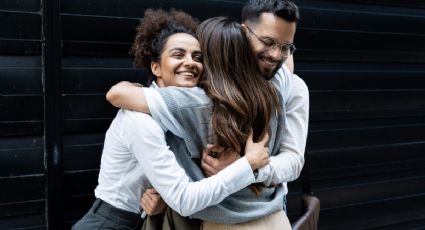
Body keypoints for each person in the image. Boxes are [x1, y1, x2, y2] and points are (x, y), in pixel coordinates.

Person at [107, 0, 309, 229]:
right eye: (268, 42)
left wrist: (248, 167)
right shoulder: (276, 92)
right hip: (273, 219)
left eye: (285, 47)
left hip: (223, 221)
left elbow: (116, 95)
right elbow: (287, 68)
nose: (276, 54)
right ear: (243, 37)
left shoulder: (193, 103)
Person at [72, 9, 270, 230]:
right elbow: (184, 200)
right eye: (178, 55)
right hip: (111, 222)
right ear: (155, 67)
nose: (190, 63)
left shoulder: (194, 109)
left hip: (147, 220)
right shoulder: (139, 119)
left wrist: (164, 202)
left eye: (197, 57)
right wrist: (248, 164)